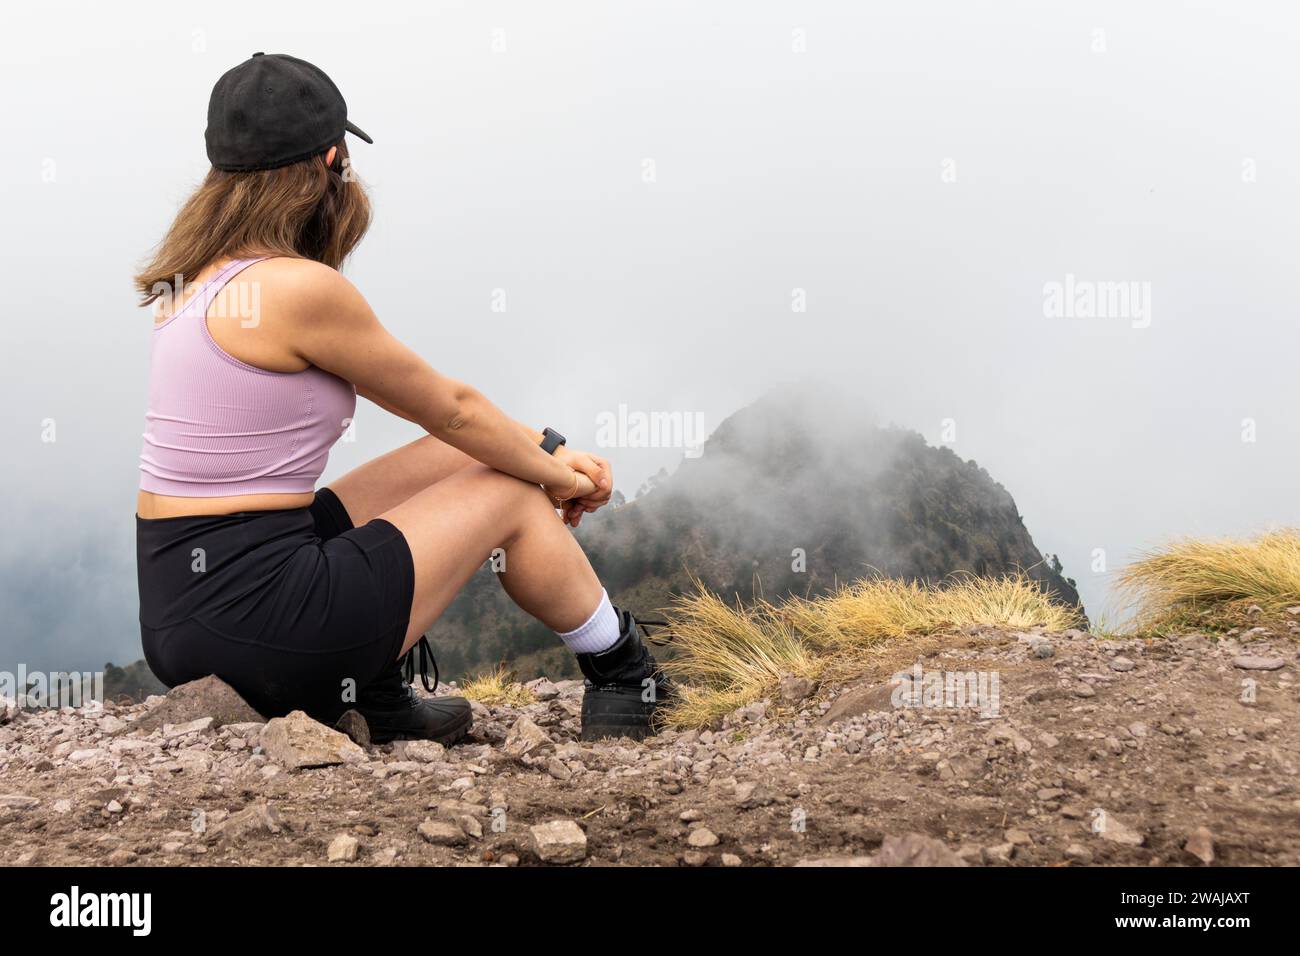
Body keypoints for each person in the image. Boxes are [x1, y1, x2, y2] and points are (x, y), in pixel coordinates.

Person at [134, 53, 669, 745]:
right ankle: (625, 672)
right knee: (507, 493)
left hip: (183, 620)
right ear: (330, 161)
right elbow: (449, 405)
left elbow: (453, 432)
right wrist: (559, 476)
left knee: (456, 457)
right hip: (265, 629)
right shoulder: (297, 288)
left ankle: (374, 694)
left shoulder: (193, 285)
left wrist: (545, 450)